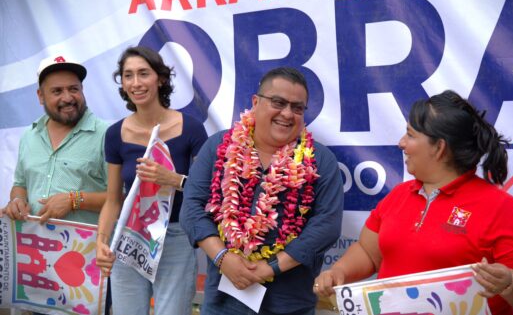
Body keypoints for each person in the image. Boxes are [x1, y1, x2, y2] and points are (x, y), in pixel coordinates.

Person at [314, 90, 513, 315]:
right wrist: (339, 272)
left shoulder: (499, 207)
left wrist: (510, 280)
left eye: (410, 135)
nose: (401, 143)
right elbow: (368, 252)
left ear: (439, 148)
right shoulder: (399, 195)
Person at [181, 67, 344, 315]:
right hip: (224, 300)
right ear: (256, 103)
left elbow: (327, 225)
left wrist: (271, 268)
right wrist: (224, 258)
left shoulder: (320, 160)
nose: (287, 114)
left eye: (297, 107)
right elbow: (192, 208)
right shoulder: (219, 147)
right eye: (278, 102)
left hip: (289, 303)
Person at [95, 46, 208, 315]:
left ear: (161, 79)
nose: (136, 83)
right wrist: (101, 240)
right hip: (129, 236)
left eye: (143, 74)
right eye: (128, 75)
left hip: (177, 237)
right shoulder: (115, 134)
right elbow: (113, 200)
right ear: (122, 83)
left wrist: (174, 179)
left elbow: (210, 193)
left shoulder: (190, 128)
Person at [0, 55, 110, 315]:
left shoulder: (106, 134)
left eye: (74, 89)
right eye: (57, 91)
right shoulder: (30, 135)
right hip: (32, 268)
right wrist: (17, 200)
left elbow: (123, 198)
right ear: (40, 96)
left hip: (84, 271)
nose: (68, 97)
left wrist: (75, 200)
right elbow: (20, 183)